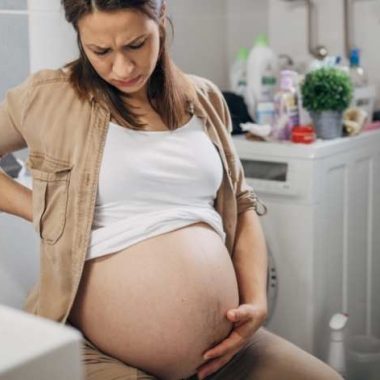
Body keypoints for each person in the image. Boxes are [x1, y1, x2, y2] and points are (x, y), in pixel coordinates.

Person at [0, 1, 343, 379]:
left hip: (229, 349)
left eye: (136, 45)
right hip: (98, 354)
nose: (122, 68)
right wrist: (44, 209)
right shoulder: (49, 96)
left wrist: (256, 302)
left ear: (160, 20)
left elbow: (243, 207)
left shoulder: (205, 99)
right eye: (100, 51)